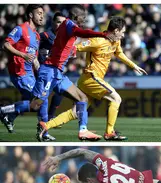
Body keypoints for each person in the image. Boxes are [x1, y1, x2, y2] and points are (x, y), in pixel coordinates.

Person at [0, 4, 117, 141]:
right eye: (83, 17)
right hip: (47, 72)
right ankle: (6, 112)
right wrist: (102, 34)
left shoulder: (51, 32)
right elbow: (82, 33)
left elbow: (66, 44)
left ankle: (83, 130)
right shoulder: (68, 25)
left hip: (57, 73)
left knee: (82, 98)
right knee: (37, 104)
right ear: (75, 17)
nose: (85, 20)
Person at [38, 16, 147, 141]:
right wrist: (57, 53)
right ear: (116, 31)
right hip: (91, 77)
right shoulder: (97, 40)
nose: (123, 35)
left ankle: (45, 125)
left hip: (92, 80)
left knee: (76, 111)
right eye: (122, 32)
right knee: (116, 98)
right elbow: (76, 47)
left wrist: (133, 65)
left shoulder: (116, 41)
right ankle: (109, 132)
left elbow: (119, 53)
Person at [1, 5, 44, 134]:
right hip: (19, 72)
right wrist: (22, 55)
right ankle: (3, 111)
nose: (42, 16)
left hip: (29, 73)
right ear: (31, 15)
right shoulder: (21, 29)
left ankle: (9, 117)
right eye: (39, 13)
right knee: (39, 100)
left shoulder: (36, 36)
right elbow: (6, 44)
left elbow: (33, 57)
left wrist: (39, 69)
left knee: (34, 104)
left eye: (42, 14)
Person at [38, 12, 67, 127]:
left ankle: (50, 116)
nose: (60, 25)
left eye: (63, 23)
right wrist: (39, 57)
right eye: (58, 22)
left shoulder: (64, 38)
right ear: (53, 22)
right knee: (38, 101)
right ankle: (9, 111)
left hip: (54, 72)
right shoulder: (45, 35)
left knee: (60, 92)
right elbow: (32, 46)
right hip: (44, 71)